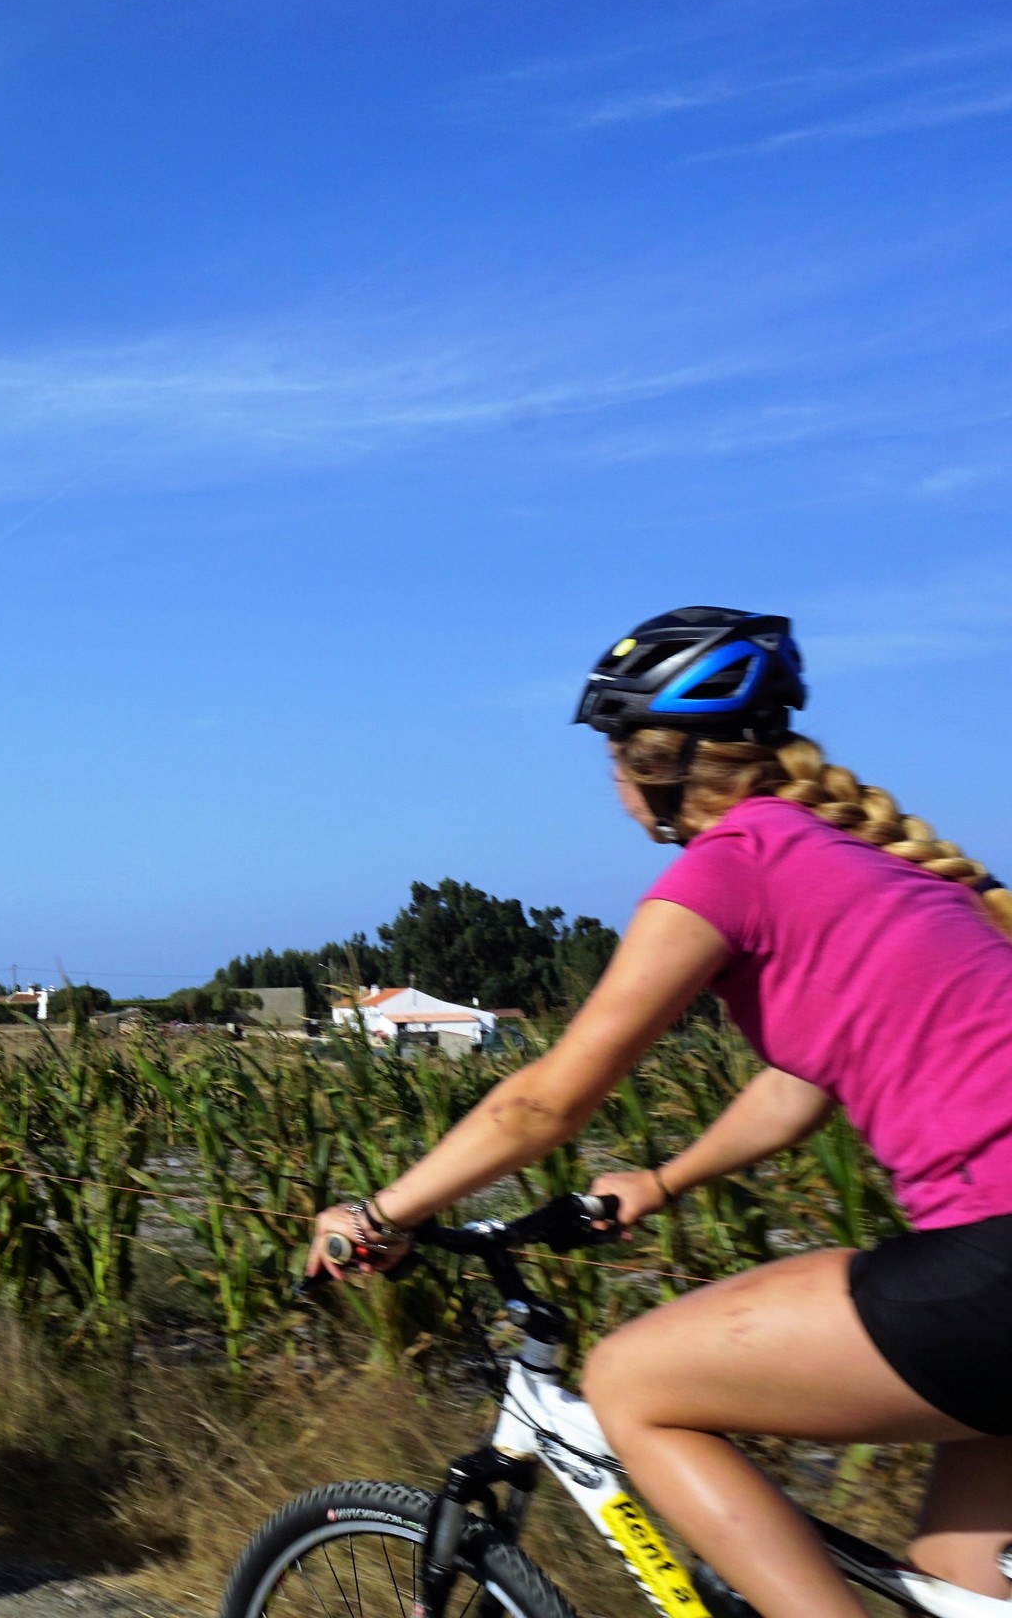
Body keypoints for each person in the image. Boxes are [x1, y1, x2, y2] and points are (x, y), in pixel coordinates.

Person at [310, 607, 1012, 1618]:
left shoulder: (735, 866)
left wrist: (379, 1215)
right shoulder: (866, 862)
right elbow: (799, 1084)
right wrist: (665, 1178)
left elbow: (545, 1100)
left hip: (995, 1255)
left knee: (632, 1383)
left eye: (609, 755)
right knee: (954, 1584)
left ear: (653, 761)